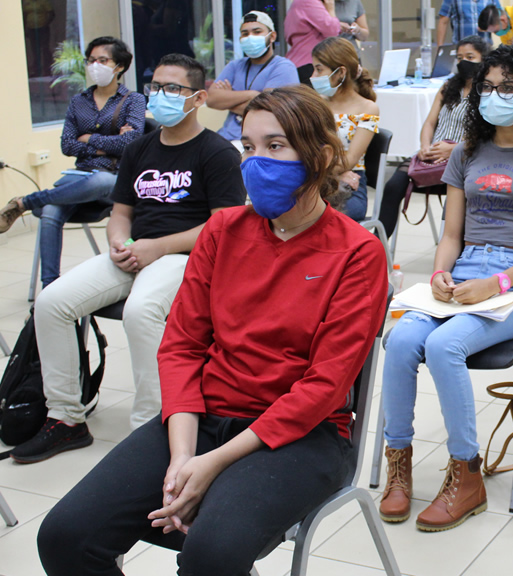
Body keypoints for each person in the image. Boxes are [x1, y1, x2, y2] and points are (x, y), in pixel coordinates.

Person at [36, 85, 389, 576]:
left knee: (211, 555)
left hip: (301, 435)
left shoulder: (356, 252)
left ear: (321, 156)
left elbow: (324, 387)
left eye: (276, 146)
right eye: (248, 146)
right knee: (64, 537)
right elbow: (180, 346)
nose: (256, 160)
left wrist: (215, 462)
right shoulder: (223, 230)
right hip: (203, 417)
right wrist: (183, 455)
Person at [379, 42, 513, 531]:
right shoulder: (467, 151)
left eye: (509, 88)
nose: (496, 96)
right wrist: (440, 275)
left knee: (445, 344)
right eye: (488, 87)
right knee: (401, 338)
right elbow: (450, 234)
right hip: (465, 272)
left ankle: (465, 474)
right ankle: (398, 464)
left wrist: (498, 283)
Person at [10, 54, 247, 464]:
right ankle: (66, 419)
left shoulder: (218, 153)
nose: (161, 95)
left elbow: (221, 227)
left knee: (141, 311)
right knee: (51, 303)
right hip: (135, 251)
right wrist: (120, 243)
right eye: (156, 86)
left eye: (174, 89)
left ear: (199, 98)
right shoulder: (139, 149)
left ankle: (151, 430)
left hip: (187, 256)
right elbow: (120, 212)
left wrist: (158, 247)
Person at [0, 37, 144, 289]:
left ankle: (25, 202)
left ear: (119, 66)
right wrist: (108, 143)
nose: (94, 65)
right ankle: (49, 288)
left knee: (100, 179)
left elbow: (130, 144)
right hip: (78, 178)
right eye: (91, 61)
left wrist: (89, 139)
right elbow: (67, 145)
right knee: (51, 209)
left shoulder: (134, 100)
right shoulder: (78, 102)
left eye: (103, 60)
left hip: (116, 181)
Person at [377, 35, 490, 237]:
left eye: (471, 57)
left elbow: (488, 135)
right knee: (393, 187)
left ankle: (454, 248)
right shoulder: (448, 87)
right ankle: (378, 246)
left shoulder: (489, 92)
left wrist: (454, 149)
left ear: (484, 59)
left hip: (465, 157)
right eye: (460, 57)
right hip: (430, 157)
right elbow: (429, 123)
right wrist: (424, 146)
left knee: (459, 198)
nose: (464, 61)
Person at [310, 36, 379, 221]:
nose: (313, 77)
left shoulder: (367, 108)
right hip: (315, 180)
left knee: (327, 216)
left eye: (318, 70)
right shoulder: (318, 104)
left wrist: (330, 174)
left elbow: (349, 161)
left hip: (350, 184)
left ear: (340, 72)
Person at [207, 11, 300, 141]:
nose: (250, 37)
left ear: (272, 36)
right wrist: (252, 95)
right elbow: (211, 99)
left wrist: (229, 100)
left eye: (257, 32)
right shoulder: (235, 66)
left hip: (258, 143)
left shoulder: (283, 67)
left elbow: (270, 110)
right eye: (245, 34)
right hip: (225, 138)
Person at [285, 0, 346, 86]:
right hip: (311, 64)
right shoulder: (310, 2)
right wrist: (331, 10)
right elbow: (332, 31)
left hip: (298, 62)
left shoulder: (297, 3)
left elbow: (289, 37)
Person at [437, 0, 501, 46]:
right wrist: (439, 48)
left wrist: (489, 28)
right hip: (461, 49)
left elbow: (500, 20)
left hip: (485, 48)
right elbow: (443, 22)